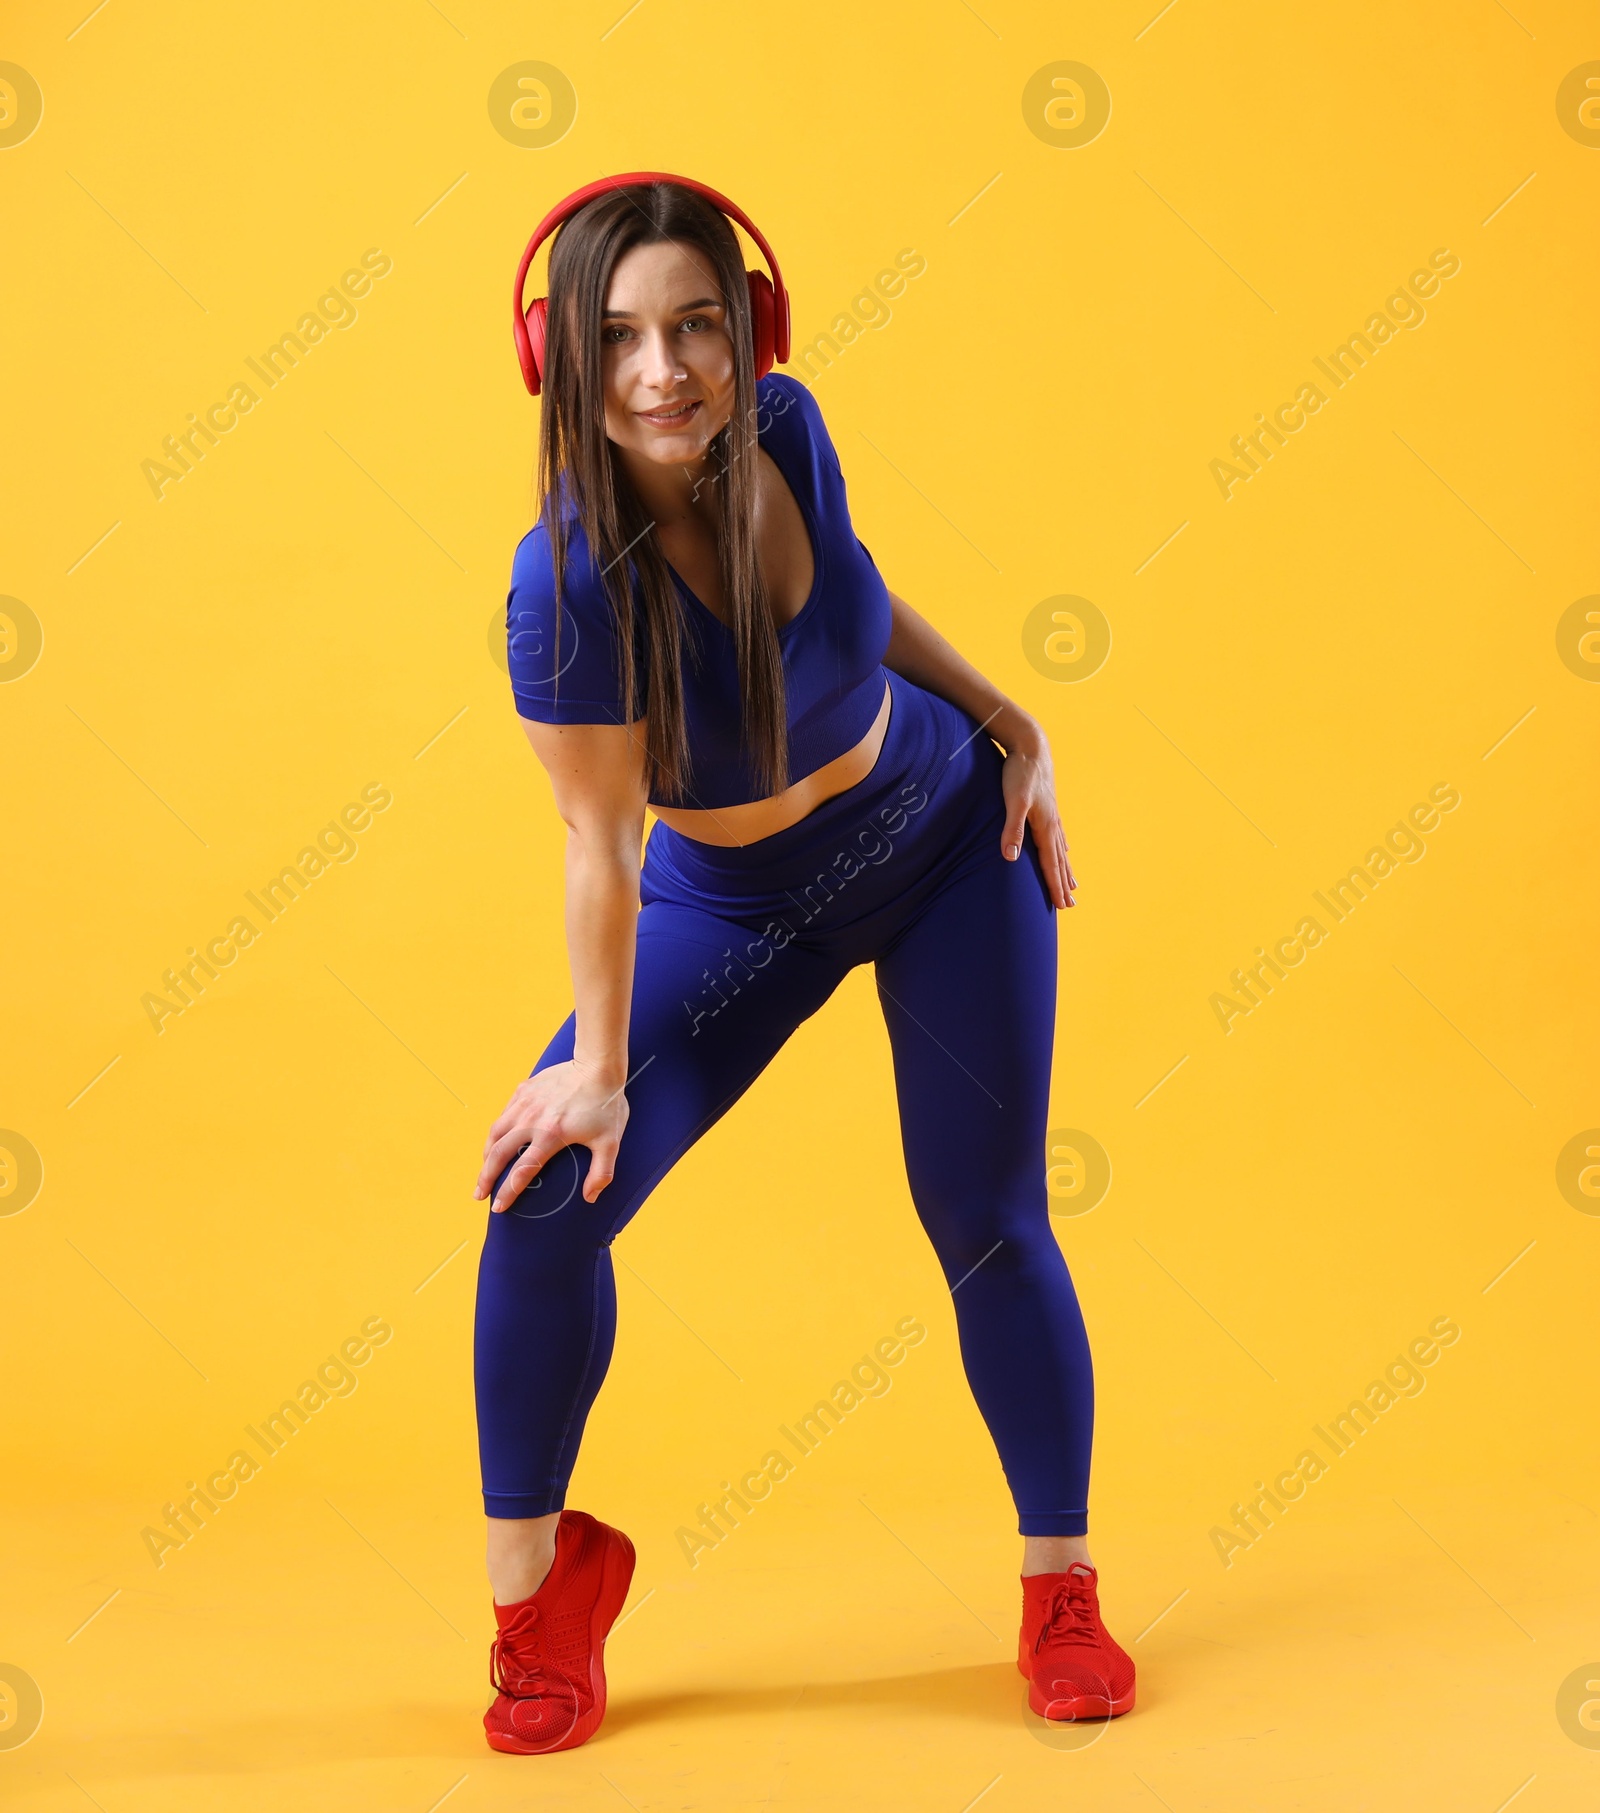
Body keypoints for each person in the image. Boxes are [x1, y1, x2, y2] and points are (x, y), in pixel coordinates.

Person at [473, 174, 1134, 1754]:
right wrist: (601, 1071)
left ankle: (1062, 1581)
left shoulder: (788, 428)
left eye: (698, 324)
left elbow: (859, 597)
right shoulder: (564, 580)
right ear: (564, 360)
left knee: (987, 1216)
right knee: (544, 1200)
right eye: (621, 337)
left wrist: (1008, 720)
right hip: (732, 905)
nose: (665, 371)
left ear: (748, 329)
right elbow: (601, 843)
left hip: (937, 848)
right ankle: (539, 1594)